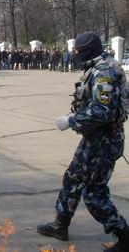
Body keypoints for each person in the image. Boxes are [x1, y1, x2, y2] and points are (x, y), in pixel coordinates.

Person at [37, 32, 129, 252]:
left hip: (105, 141)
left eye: (79, 52)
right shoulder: (98, 67)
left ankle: (125, 236)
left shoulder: (104, 72)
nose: (76, 56)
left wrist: (71, 120)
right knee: (72, 178)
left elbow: (103, 112)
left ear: (87, 51)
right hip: (94, 138)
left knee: (93, 193)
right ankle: (61, 224)